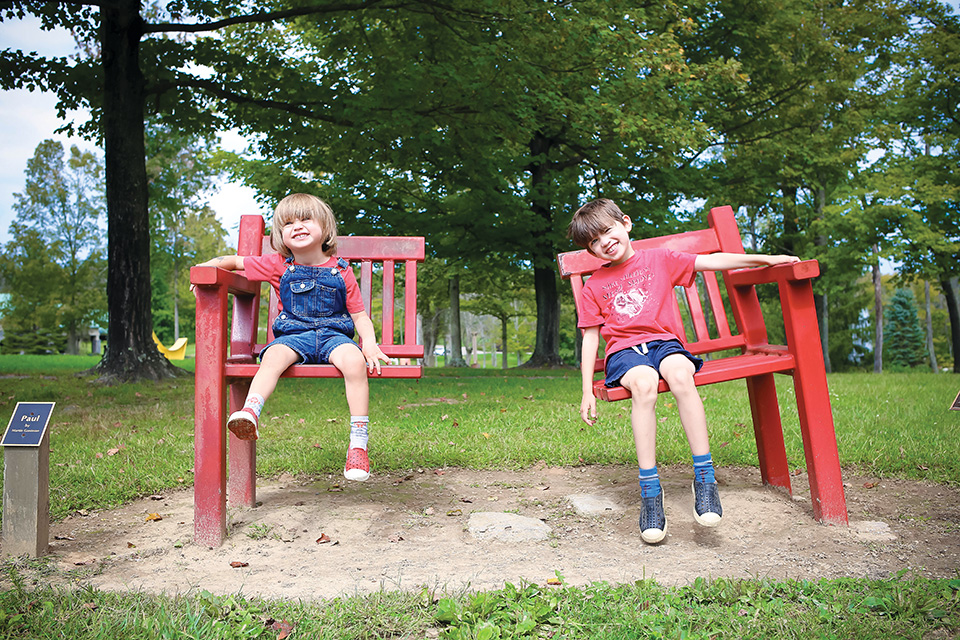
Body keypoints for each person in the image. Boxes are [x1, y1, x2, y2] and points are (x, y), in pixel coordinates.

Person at [567, 199, 799, 544]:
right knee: (643, 386)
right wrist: (587, 389)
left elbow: (714, 261)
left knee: (680, 375)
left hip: (665, 344)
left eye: (608, 230)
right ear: (592, 250)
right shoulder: (594, 286)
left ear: (626, 223)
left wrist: (767, 259)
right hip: (624, 354)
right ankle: (650, 490)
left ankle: (704, 478)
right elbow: (590, 338)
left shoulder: (660, 259)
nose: (604, 241)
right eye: (594, 241)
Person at [194, 193, 390, 482]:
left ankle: (358, 444)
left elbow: (359, 315)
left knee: (354, 361)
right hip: (294, 337)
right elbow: (234, 262)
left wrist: (369, 345)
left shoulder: (342, 271)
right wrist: (205, 269)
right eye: (288, 223)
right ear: (281, 235)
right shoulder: (277, 265)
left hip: (333, 337)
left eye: (306, 219)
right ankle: (250, 412)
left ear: (325, 227)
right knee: (272, 357)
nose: (297, 226)